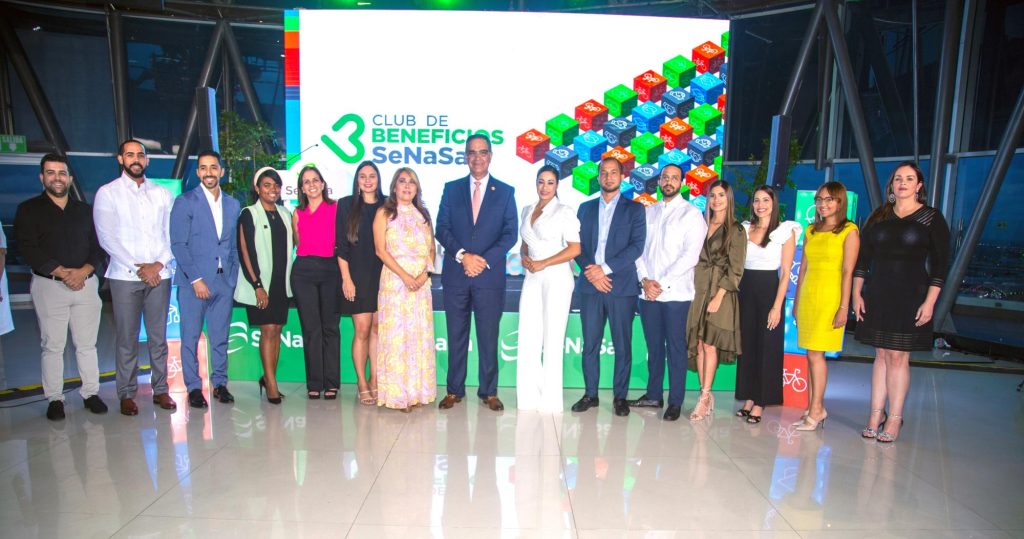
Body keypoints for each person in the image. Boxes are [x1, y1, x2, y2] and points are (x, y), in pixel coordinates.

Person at [853, 162, 949, 443]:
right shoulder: (879, 216)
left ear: (919, 185)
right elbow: (862, 260)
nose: (903, 183)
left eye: (909, 178)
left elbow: (941, 265)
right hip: (878, 293)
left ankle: (895, 418)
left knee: (897, 356)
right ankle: (875, 414)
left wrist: (930, 302)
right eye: (898, 179)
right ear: (892, 185)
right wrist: (856, 294)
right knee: (881, 354)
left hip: (911, 295)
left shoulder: (931, 217)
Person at [14, 153, 107, 420]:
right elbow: (27, 248)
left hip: (85, 285)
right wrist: (61, 272)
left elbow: (98, 248)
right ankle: (55, 398)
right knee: (53, 346)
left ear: (70, 178)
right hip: (50, 286)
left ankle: (90, 393)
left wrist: (83, 272)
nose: (57, 178)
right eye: (51, 172)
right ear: (42, 177)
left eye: (62, 173)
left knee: (87, 344)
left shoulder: (85, 211)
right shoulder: (28, 210)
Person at [436, 134, 518, 411]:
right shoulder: (451, 189)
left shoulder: (505, 192)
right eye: (472, 152)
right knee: (456, 336)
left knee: (488, 337)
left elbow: (510, 234)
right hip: (456, 275)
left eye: (482, 152)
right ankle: (453, 390)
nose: (477, 157)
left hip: (489, 277)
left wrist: (482, 261)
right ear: (465, 157)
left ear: (490, 156)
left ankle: (489, 391)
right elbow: (441, 228)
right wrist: (463, 256)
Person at [94, 139, 175, 416]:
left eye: (140, 154)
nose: (136, 159)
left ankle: (161, 389)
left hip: (160, 276)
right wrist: (141, 268)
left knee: (158, 337)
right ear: (120, 159)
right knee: (127, 339)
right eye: (130, 155)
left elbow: (171, 234)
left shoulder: (162, 194)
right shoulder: (108, 193)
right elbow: (107, 238)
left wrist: (158, 265)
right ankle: (127, 393)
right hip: (124, 277)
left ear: (147, 160)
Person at [628, 164, 706, 421]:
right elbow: (638, 249)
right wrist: (645, 280)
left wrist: (660, 283)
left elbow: (690, 256)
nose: (669, 181)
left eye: (674, 178)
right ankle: (653, 394)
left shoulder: (691, 214)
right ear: (659, 181)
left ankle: (675, 401)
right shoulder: (648, 211)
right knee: (654, 348)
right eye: (665, 177)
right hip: (647, 293)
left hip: (676, 295)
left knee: (675, 348)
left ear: (682, 182)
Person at [571, 157, 646, 417]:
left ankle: (620, 397)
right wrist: (592, 273)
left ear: (622, 177)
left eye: (614, 172)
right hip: (590, 286)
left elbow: (636, 247)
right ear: (598, 176)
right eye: (604, 172)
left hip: (620, 287)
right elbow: (576, 246)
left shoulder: (635, 209)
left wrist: (604, 269)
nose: (608, 176)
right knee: (590, 344)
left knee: (622, 346)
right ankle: (590, 394)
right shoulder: (585, 208)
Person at [170, 150, 240, 408]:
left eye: (213, 167)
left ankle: (220, 383)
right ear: (198, 172)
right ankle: (193, 388)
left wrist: (233, 277)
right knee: (190, 337)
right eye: (203, 168)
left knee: (220, 336)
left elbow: (233, 245)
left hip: (223, 282)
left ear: (221, 171)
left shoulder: (233, 204)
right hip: (194, 283)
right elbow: (178, 244)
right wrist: (195, 279)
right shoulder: (185, 202)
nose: (208, 172)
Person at [793, 181, 859, 431]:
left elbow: (848, 271)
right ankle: (812, 407)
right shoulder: (811, 230)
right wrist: (797, 301)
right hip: (809, 296)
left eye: (829, 199)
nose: (823, 204)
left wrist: (844, 307)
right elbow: (803, 268)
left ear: (840, 202)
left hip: (830, 298)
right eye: (819, 199)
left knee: (816, 355)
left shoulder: (849, 230)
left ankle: (817, 409)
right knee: (811, 355)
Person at [517, 164, 581, 412]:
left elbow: (575, 249)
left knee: (552, 338)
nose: (544, 187)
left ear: (557, 186)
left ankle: (551, 401)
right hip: (532, 276)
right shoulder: (527, 209)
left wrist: (543, 263)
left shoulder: (564, 211)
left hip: (557, 277)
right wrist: (525, 257)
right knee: (528, 335)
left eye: (550, 182)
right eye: (541, 181)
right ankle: (529, 397)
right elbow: (525, 243)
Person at [735, 185, 800, 423]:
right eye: (756, 200)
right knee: (747, 346)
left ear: (774, 203)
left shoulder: (785, 231)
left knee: (767, 347)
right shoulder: (744, 229)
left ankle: (760, 402)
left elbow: (786, 273)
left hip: (769, 292)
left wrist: (776, 306)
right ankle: (749, 397)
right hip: (745, 291)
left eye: (766, 200)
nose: (760, 205)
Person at [374, 167, 437, 412]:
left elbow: (431, 249)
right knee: (397, 338)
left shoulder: (423, 215)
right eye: (402, 181)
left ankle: (418, 393)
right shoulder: (384, 213)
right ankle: (398, 395)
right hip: (395, 283)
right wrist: (405, 276)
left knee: (418, 337)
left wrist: (423, 276)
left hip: (420, 286)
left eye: (412, 182)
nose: (407, 186)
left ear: (417, 188)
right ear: (394, 186)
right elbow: (380, 250)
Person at [686, 180, 746, 421]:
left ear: (728, 199)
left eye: (721, 195)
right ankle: (705, 393)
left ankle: (704, 397)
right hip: (699, 290)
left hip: (720, 293)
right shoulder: (701, 225)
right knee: (700, 343)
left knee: (710, 344)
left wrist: (719, 296)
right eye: (712, 195)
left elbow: (736, 268)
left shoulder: (736, 230)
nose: (716, 200)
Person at [236, 167, 293, 404]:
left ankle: (269, 377)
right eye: (267, 185)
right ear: (257, 189)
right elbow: (245, 252)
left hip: (281, 283)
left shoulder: (285, 214)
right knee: (268, 329)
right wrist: (257, 285)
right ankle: (270, 383)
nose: (273, 189)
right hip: (261, 284)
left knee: (276, 330)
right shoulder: (248, 214)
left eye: (276, 185)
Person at [336, 161, 385, 405]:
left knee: (377, 329)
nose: (367, 180)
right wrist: (346, 279)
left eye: (372, 176)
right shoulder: (346, 205)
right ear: (357, 180)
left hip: (383, 276)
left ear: (378, 179)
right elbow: (341, 246)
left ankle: (375, 379)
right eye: (363, 176)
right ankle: (361, 382)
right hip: (357, 275)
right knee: (362, 330)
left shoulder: (388, 205)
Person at [291, 165, 341, 400]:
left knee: (330, 327)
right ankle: (314, 382)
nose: (311, 184)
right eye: (306, 181)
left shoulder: (336, 208)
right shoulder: (297, 212)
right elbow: (297, 242)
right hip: (303, 272)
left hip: (331, 269)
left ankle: (331, 383)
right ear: (302, 188)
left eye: (315, 180)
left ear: (322, 184)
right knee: (311, 329)